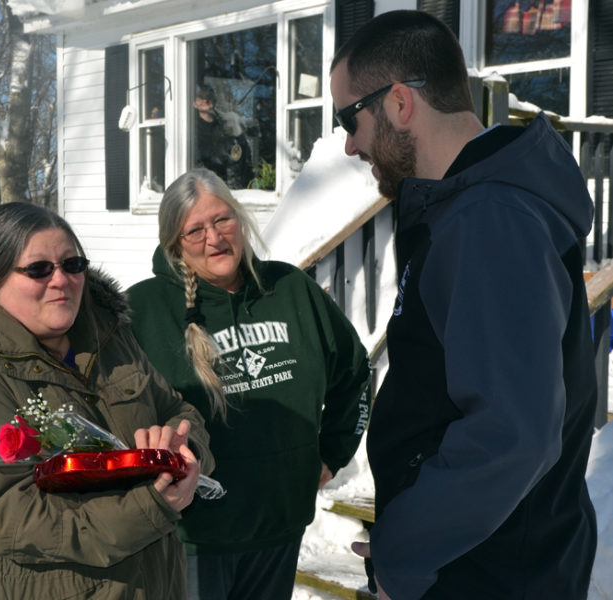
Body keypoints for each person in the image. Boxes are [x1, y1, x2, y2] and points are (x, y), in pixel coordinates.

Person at [329, 9, 597, 600]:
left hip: (492, 573)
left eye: (350, 117)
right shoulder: (463, 212)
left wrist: (407, 552)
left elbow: (513, 433)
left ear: (399, 103)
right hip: (480, 561)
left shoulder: (490, 221)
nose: (349, 144)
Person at [0, 202, 214, 600]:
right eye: (39, 269)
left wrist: (184, 448)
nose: (61, 280)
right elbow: (8, 517)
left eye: (73, 264)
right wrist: (148, 509)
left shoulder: (109, 337)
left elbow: (177, 410)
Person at [125, 168, 372, 600]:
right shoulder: (145, 309)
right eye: (195, 230)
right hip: (192, 539)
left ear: (240, 217)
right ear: (174, 244)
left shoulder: (291, 289)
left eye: (222, 219)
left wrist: (333, 453)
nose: (215, 238)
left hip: (280, 528)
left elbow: (354, 373)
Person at [193, 85, 253, 189]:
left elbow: (239, 156)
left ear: (215, 101)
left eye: (209, 96)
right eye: (200, 97)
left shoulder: (227, 125)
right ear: (194, 103)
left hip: (229, 186)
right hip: (203, 186)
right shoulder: (191, 128)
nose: (205, 100)